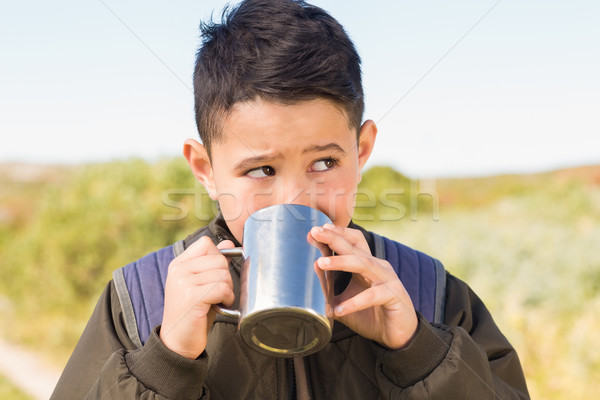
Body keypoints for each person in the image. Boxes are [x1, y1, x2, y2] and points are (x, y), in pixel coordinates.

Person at [51, 0, 529, 398]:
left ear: (361, 152)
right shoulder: (142, 301)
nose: (296, 197)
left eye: (325, 163)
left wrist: (418, 353)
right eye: (261, 170)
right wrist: (165, 363)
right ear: (205, 170)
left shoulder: (429, 294)